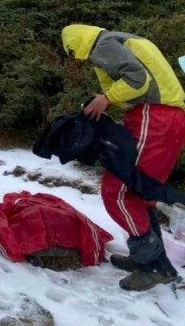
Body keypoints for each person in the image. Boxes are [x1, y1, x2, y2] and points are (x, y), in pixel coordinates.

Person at [61, 25, 185, 291]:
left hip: (155, 117)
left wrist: (106, 98)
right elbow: (139, 83)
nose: (75, 58)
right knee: (141, 193)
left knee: (117, 191)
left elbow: (138, 80)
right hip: (169, 118)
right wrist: (106, 99)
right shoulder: (124, 39)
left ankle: (152, 265)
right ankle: (153, 261)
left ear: (75, 43)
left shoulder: (103, 45)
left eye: (71, 51)